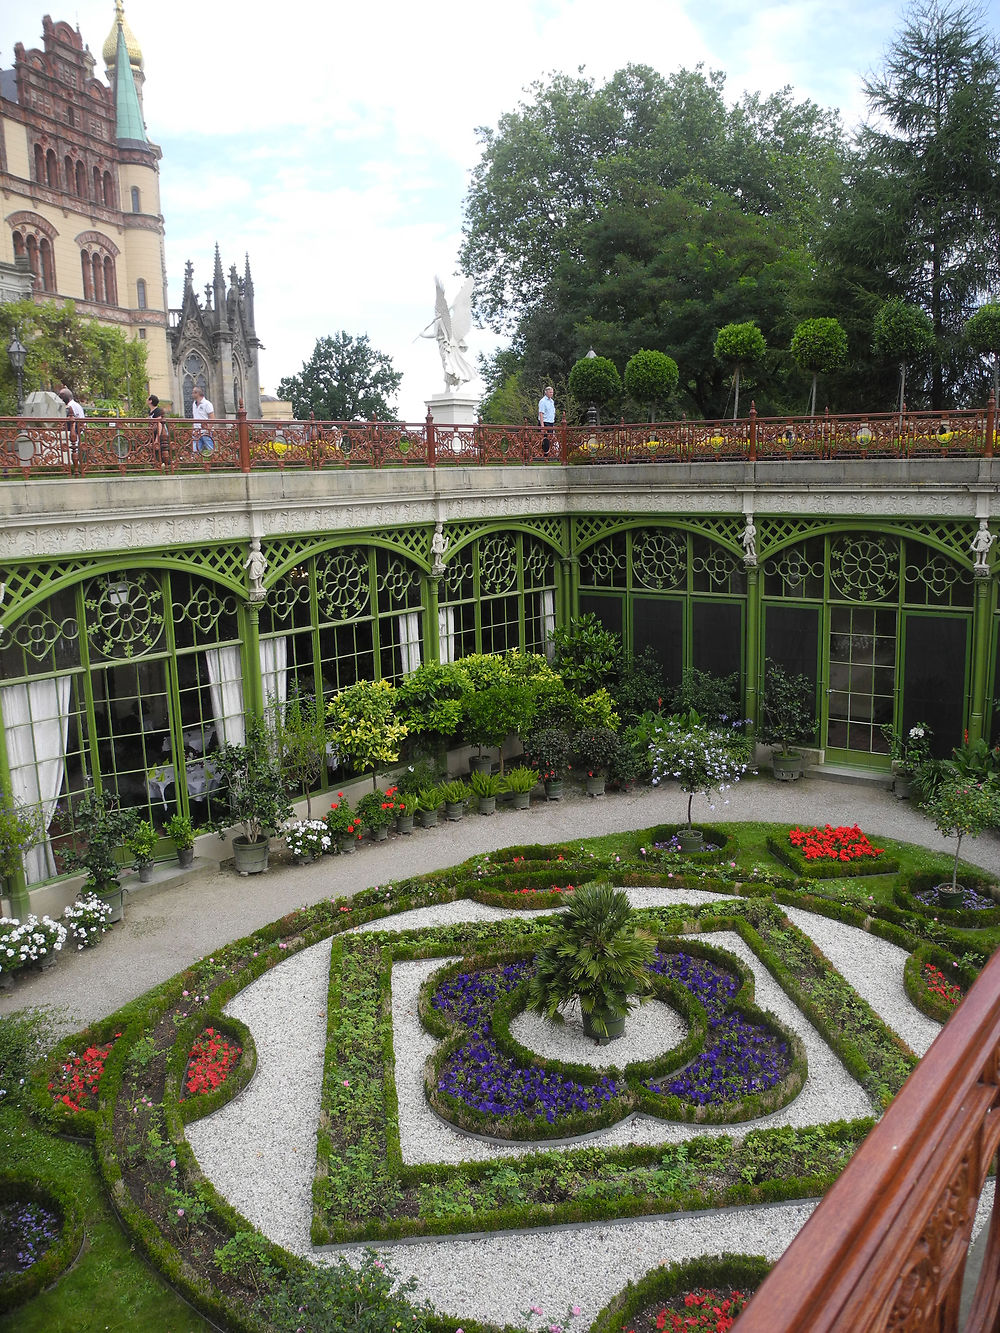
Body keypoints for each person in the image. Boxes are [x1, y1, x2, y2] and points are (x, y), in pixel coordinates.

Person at [58, 386, 85, 467]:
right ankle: (73, 467)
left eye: (61, 397)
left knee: (73, 450)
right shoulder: (74, 405)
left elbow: (78, 421)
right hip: (73, 432)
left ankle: (74, 467)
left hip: (74, 432)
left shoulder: (72, 406)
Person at [191, 384, 215, 455]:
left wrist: (208, 429)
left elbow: (212, 417)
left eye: (193, 392)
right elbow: (195, 417)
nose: (192, 394)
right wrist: (193, 429)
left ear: (197, 393)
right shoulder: (194, 404)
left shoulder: (207, 404)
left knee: (211, 450)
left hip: (205, 431)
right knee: (195, 452)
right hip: (196, 431)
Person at [148, 394, 169, 469]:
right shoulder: (150, 411)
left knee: (160, 448)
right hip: (152, 432)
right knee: (152, 448)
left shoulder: (158, 411)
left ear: (150, 401)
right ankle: (154, 464)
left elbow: (160, 424)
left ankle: (163, 464)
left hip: (159, 432)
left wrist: (158, 437)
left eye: (148, 399)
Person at [538, 385, 555, 455]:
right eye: (550, 392)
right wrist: (542, 426)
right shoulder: (543, 401)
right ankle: (545, 455)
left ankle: (548, 454)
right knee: (545, 439)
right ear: (546, 392)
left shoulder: (552, 401)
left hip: (551, 422)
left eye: (552, 392)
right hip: (545, 422)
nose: (552, 394)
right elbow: (541, 413)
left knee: (550, 439)